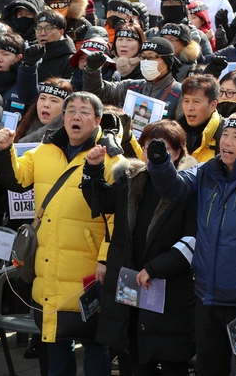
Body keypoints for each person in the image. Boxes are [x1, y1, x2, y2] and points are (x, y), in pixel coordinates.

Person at [147, 112, 236, 376]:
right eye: (225, 134)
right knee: (209, 368)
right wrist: (161, 164)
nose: (228, 141)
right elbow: (175, 189)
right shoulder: (207, 172)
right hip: (207, 297)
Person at [0, 92, 124, 376]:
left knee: (94, 342)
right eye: (71, 111)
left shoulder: (112, 159)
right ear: (62, 118)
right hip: (49, 263)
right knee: (54, 342)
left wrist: (105, 259)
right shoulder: (44, 149)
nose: (76, 116)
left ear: (98, 119)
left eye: (84, 112)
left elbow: (118, 220)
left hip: (90, 267)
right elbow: (15, 179)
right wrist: (3, 150)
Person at [80, 120, 197, 376]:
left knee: (171, 359)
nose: (150, 153)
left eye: (161, 147)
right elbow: (101, 202)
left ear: (177, 152)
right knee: (133, 358)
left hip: (168, 289)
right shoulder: (131, 180)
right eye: (146, 146)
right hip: (129, 283)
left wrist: (155, 268)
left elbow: (192, 241)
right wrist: (93, 169)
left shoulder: (189, 187)